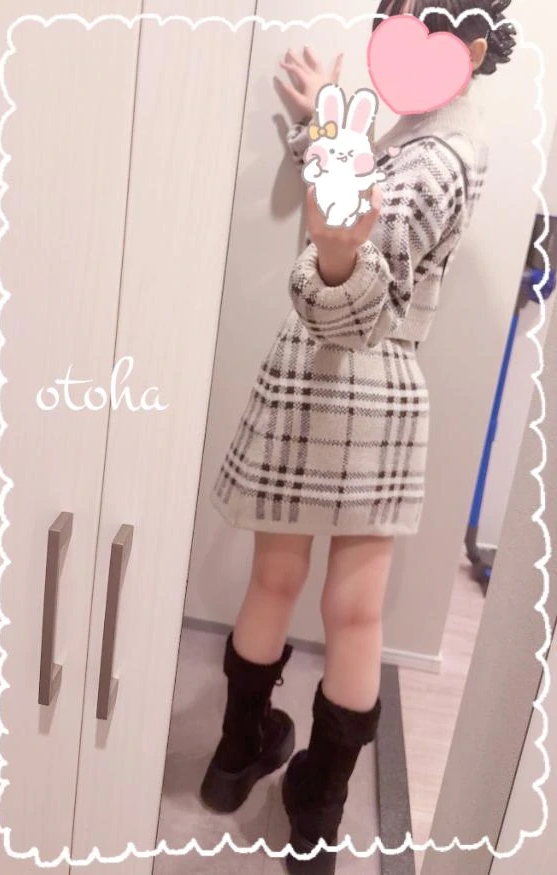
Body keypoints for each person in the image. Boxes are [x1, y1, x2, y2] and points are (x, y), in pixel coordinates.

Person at [200, 2, 516, 873]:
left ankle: (235, 757)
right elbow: (357, 222)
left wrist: (336, 188)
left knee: (283, 581)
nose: (398, 41)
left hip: (333, 364)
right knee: (354, 610)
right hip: (374, 387)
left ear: (473, 47)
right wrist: (328, 132)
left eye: (423, 25)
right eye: (392, 22)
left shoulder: (439, 153)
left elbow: (360, 271)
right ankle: (316, 808)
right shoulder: (433, 142)